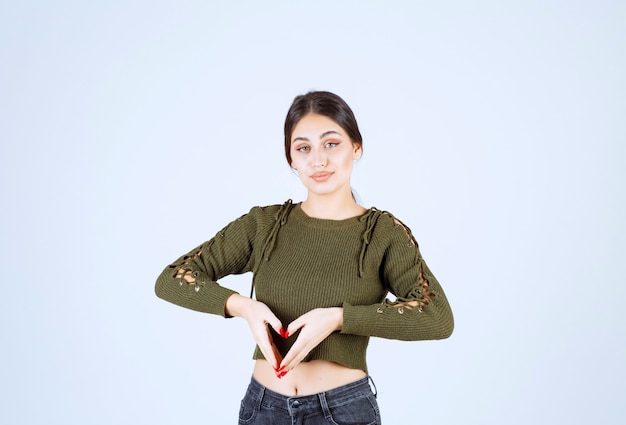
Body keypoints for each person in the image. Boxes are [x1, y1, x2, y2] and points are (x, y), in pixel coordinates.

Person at [155, 91, 454, 424]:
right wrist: (244, 307)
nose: (318, 161)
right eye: (303, 148)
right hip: (262, 408)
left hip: (342, 411)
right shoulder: (264, 225)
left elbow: (436, 315)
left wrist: (340, 318)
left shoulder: (383, 233)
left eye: (331, 144)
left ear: (356, 148)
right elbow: (173, 277)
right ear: (291, 160)